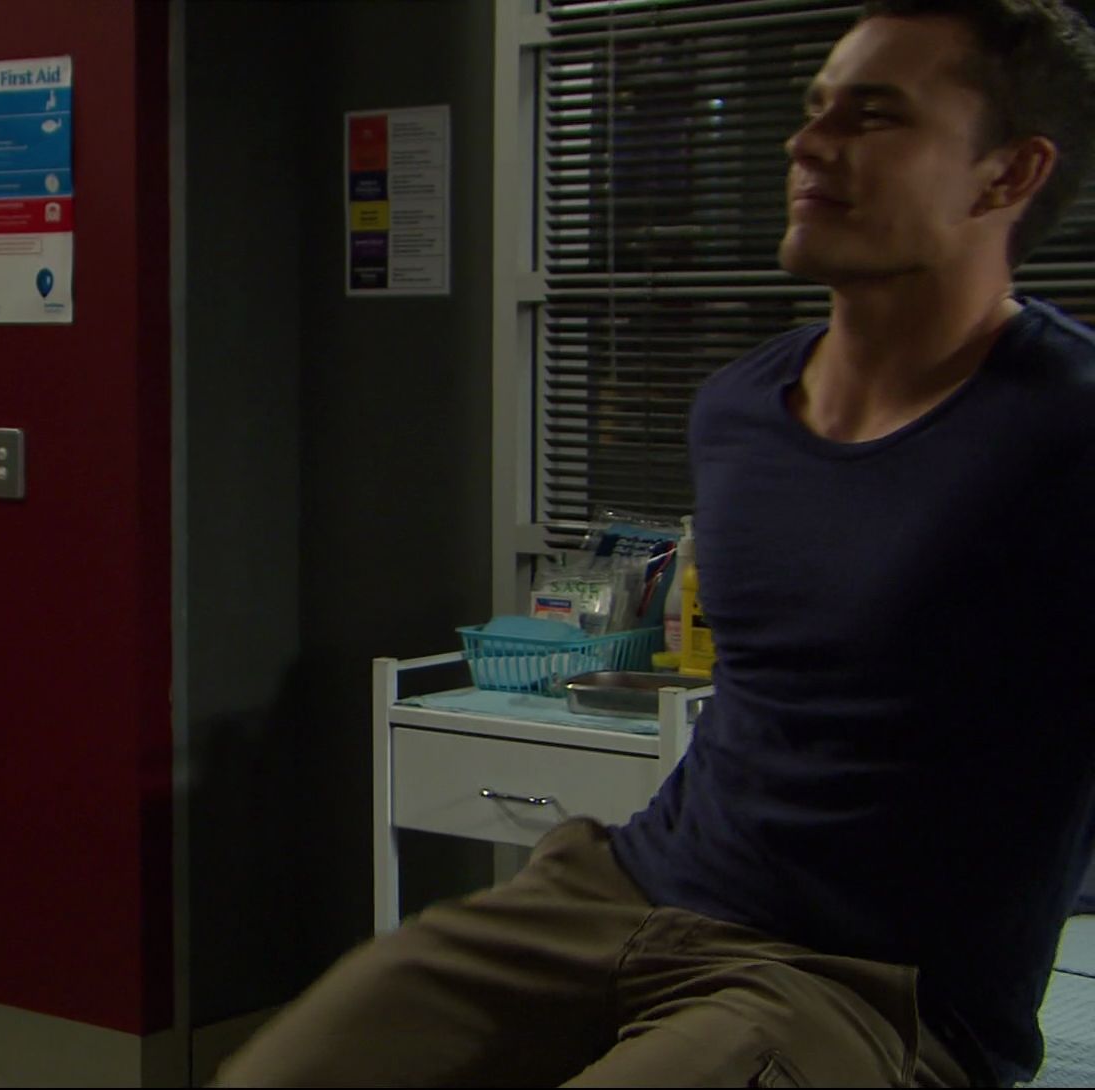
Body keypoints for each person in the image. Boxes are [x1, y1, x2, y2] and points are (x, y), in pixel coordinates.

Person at [217, 1, 1095, 1086]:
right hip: (622, 890)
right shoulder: (740, 408)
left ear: (1008, 174)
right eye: (815, 106)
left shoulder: (1065, 428)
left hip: (858, 980)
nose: (807, 142)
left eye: (874, 117)